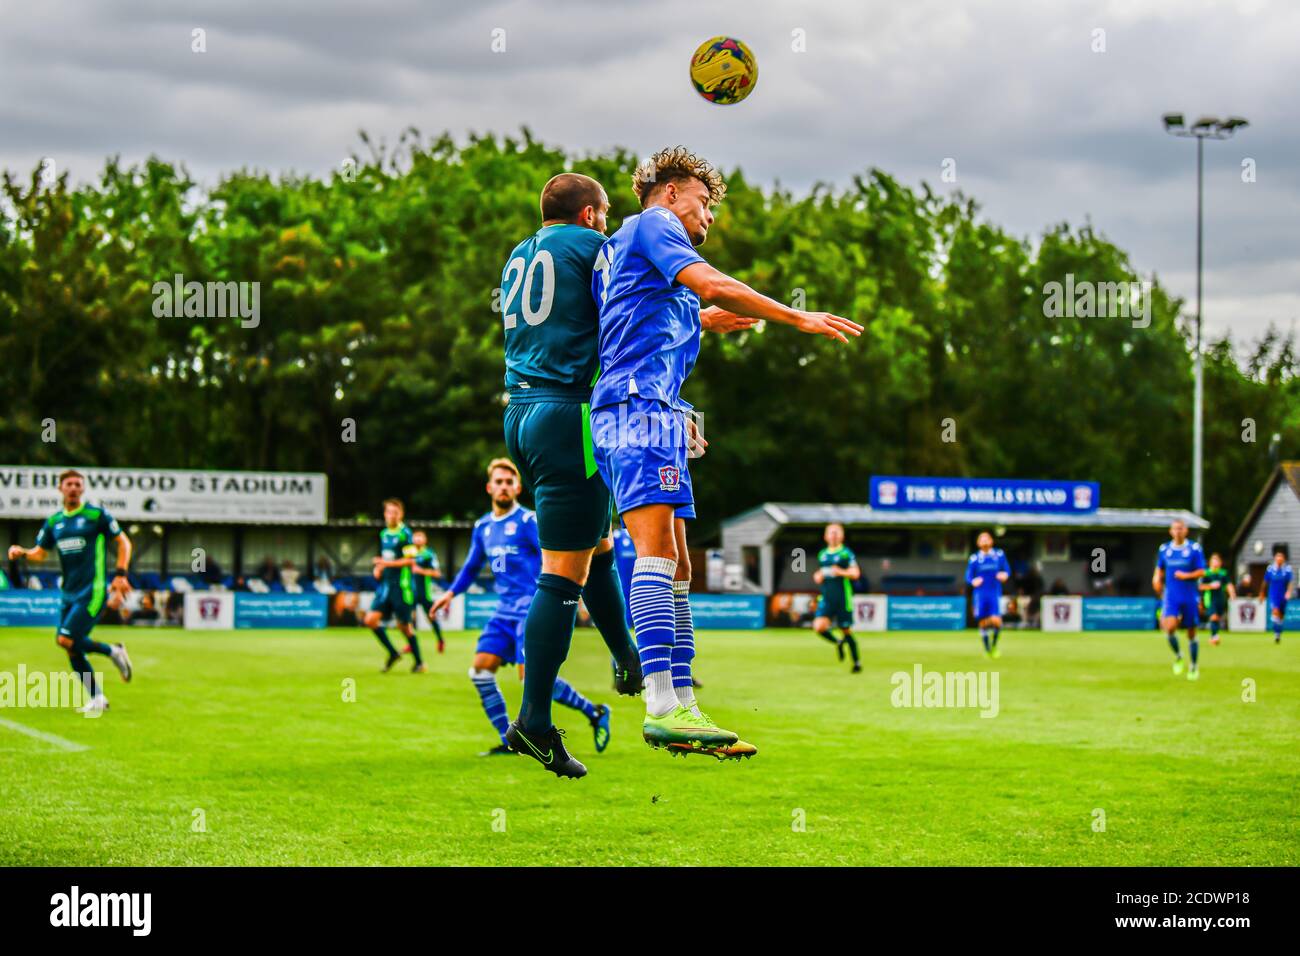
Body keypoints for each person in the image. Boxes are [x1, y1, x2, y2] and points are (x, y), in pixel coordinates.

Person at [588, 146, 862, 762]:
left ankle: (682, 698)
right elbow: (707, 280)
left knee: (680, 563)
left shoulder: (633, 250)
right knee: (658, 556)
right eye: (704, 202)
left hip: (652, 413)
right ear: (668, 192)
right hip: (636, 412)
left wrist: (703, 320)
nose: (708, 217)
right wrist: (795, 316)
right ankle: (662, 704)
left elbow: (643, 315)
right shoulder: (653, 225)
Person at [491, 171, 702, 777]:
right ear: (589, 214)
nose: (609, 223)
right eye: (605, 213)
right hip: (572, 413)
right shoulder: (594, 248)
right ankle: (533, 721)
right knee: (564, 572)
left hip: (522, 411)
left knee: (599, 543)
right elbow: (633, 314)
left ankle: (629, 660)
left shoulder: (519, 255)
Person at [432, 459, 611, 758]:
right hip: (503, 613)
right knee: (479, 671)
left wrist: (571, 593)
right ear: (490, 488)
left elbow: (555, 559)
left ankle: (593, 712)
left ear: (517, 487)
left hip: (531, 610)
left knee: (533, 679)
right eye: (498, 482)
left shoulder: (528, 522)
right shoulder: (483, 527)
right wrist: (450, 594)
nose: (504, 486)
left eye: (509, 482)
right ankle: (510, 740)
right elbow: (472, 566)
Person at [7, 469, 134, 714]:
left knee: (65, 639)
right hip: (68, 592)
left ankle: (112, 652)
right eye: (69, 484)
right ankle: (98, 697)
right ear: (61, 489)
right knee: (70, 645)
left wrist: (120, 574)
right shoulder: (55, 522)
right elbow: (40, 554)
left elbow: (123, 542)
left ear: (83, 489)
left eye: (78, 484)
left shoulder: (96, 515)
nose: (74, 488)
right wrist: (22, 552)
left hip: (93, 589)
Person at [362, 498, 422, 673]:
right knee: (370, 620)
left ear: (400, 514)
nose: (391, 515)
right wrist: (379, 567)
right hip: (386, 586)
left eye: (395, 512)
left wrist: (385, 563)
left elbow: (410, 561)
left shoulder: (406, 534)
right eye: (388, 512)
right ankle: (393, 653)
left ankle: (419, 663)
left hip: (402, 587)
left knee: (404, 627)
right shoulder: (384, 534)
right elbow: (386, 559)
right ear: (385, 514)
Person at [1153, 518, 1206, 680]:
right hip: (1171, 596)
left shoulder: (1194, 549)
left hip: (1189, 595)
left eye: (1181, 528)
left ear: (1186, 531)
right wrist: (1156, 579)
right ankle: (1178, 655)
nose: (1178, 531)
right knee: (1169, 627)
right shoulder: (1164, 549)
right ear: (1171, 531)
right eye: (1175, 529)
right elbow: (1159, 569)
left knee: (1191, 632)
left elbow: (1202, 571)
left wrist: (1186, 575)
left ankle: (1194, 666)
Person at [811, 523, 861, 672]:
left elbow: (855, 574)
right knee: (818, 627)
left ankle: (856, 662)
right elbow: (821, 573)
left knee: (845, 629)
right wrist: (818, 576)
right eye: (831, 533)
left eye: (836, 533)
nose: (833, 535)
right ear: (826, 536)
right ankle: (838, 642)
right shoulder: (822, 554)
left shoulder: (846, 553)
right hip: (826, 598)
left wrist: (841, 572)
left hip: (842, 599)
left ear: (841, 536)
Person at [966, 531, 1011, 658]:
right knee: (983, 622)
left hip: (994, 592)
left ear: (991, 541)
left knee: (997, 621)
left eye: (987, 539)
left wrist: (1005, 575)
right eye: (982, 539)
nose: (985, 541)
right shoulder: (974, 559)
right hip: (980, 594)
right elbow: (968, 576)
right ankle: (987, 649)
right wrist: (973, 581)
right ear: (978, 543)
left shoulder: (999, 555)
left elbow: (1007, 570)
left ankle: (994, 646)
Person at [409, 530, 446, 655]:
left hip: (424, 592)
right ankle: (411, 643)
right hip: (410, 591)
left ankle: (440, 640)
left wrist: (421, 571)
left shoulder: (429, 554)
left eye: (420, 537)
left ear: (425, 539)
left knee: (431, 617)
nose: (418, 539)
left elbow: (437, 573)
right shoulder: (408, 552)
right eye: (416, 537)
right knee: (409, 618)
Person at [1198, 552, 1234, 645]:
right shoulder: (1206, 573)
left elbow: (1228, 584)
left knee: (1217, 618)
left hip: (1220, 598)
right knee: (1213, 617)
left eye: (1217, 560)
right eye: (1214, 560)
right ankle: (1215, 637)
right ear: (1210, 562)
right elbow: (1200, 586)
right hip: (1210, 598)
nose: (1215, 562)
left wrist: (1232, 593)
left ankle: (1213, 635)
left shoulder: (1223, 573)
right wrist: (1210, 586)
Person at [1263, 549, 1294, 644]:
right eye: (1278, 557)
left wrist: (1288, 592)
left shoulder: (1287, 570)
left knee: (1281, 616)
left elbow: (1290, 583)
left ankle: (1278, 632)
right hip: (1273, 595)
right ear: (1275, 558)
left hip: (1283, 596)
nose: (1279, 558)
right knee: (1275, 612)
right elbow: (1265, 582)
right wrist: (1261, 593)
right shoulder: (1270, 569)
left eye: (1281, 557)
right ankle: (1276, 634)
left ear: (1283, 559)